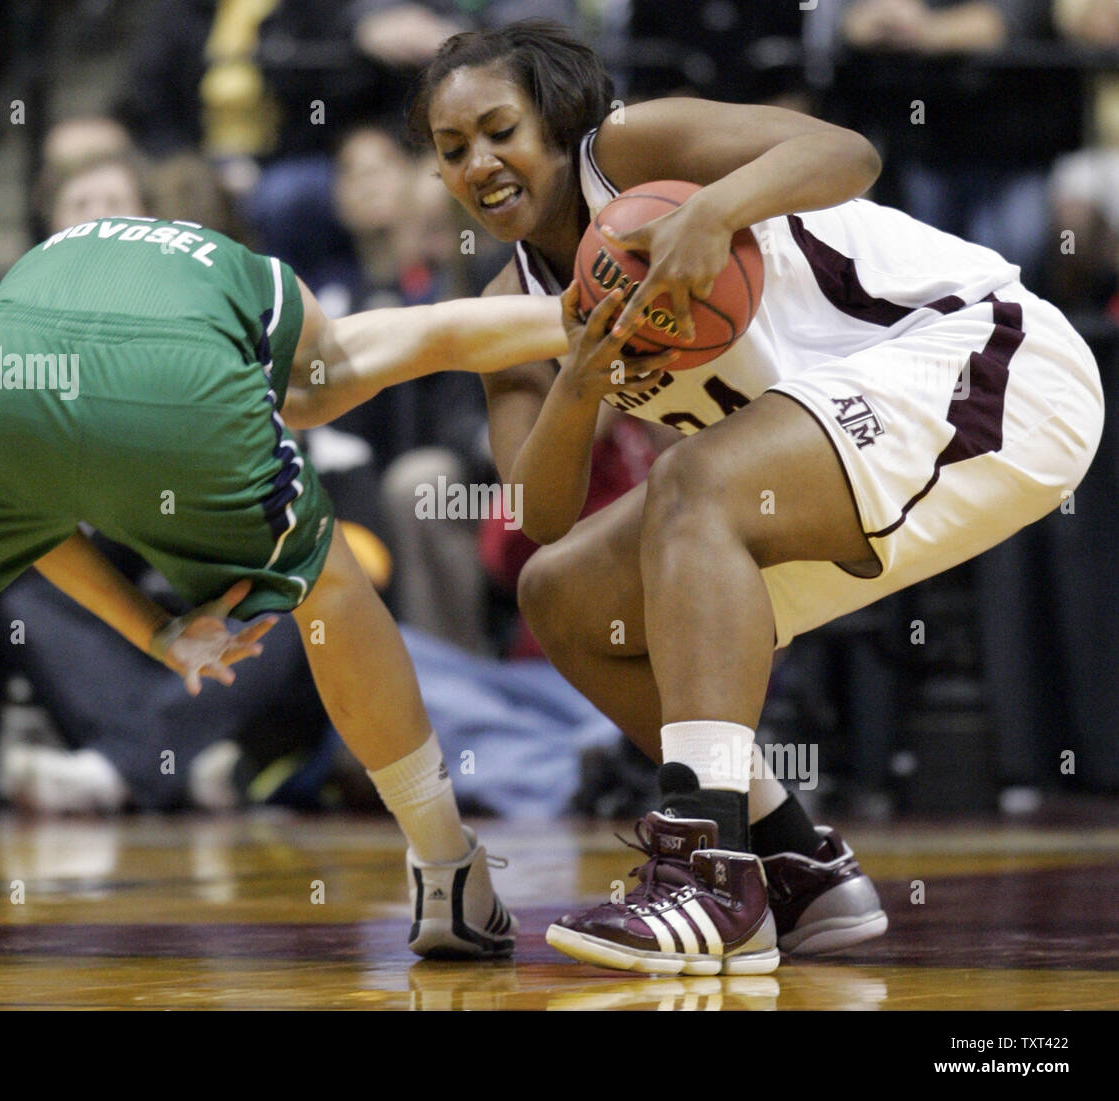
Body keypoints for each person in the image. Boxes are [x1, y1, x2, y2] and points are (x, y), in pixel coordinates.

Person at [407, 19, 1104, 974]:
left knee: (693, 480)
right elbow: (538, 514)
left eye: (499, 130)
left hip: (993, 363)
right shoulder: (512, 307)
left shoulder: (632, 149)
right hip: (841, 462)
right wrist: (577, 375)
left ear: (561, 124)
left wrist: (711, 212)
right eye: (453, 150)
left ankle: (702, 867)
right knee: (564, 594)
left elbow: (845, 151)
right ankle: (797, 864)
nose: (479, 163)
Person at [0, 212, 584, 958]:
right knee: (328, 595)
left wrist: (153, 629)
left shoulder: (90, 258)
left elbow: (27, 515)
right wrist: (581, 315)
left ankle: (120, 757)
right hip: (176, 392)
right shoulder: (268, 286)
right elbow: (434, 337)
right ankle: (445, 866)